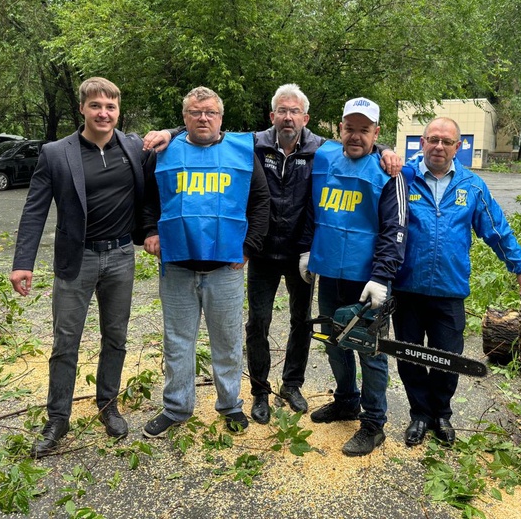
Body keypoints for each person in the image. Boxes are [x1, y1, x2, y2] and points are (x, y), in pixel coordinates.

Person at [142, 84, 402, 425]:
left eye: (295, 111)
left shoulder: (321, 150)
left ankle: (292, 385)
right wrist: (170, 131)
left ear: (305, 118)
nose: (288, 117)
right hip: (262, 253)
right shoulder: (250, 143)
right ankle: (260, 392)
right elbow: (208, 127)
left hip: (301, 254)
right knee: (257, 323)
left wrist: (385, 151)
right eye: (282, 110)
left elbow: (358, 141)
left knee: (302, 323)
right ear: (272, 116)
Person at [10, 77, 153, 458]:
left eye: (110, 106)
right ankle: (58, 418)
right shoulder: (57, 153)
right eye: (96, 106)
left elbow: (179, 129)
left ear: (118, 110)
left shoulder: (134, 147)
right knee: (65, 343)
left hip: (122, 257)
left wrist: (170, 133)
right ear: (83, 109)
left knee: (116, 337)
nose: (103, 113)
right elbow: (34, 209)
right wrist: (23, 262)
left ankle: (108, 405)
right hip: (77, 261)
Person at [393, 117, 521, 447]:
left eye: (446, 141)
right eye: (432, 139)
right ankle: (419, 415)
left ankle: (441, 415)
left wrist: (520, 268)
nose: (438, 146)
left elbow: (497, 230)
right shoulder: (403, 179)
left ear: (458, 146)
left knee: (447, 359)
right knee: (410, 356)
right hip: (407, 288)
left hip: (449, 291)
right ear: (422, 142)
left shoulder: (472, 186)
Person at [141, 86, 270, 437]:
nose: (203, 118)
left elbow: (260, 202)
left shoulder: (242, 152)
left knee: (227, 342)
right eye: (195, 112)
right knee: (177, 342)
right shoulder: (164, 152)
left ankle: (230, 405)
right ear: (184, 119)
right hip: (178, 268)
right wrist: (150, 230)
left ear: (220, 117)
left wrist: (248, 248)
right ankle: (176, 408)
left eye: (210, 112)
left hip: (225, 271)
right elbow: (148, 199)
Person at [302, 97, 408, 457]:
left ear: (376, 133)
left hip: (369, 280)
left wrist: (382, 276)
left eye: (365, 130)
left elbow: (396, 229)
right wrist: (307, 251)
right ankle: (346, 400)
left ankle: (374, 423)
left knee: (370, 351)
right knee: (334, 341)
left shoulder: (388, 172)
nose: (356, 136)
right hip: (330, 271)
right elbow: (309, 210)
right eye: (350, 128)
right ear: (340, 128)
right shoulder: (324, 157)